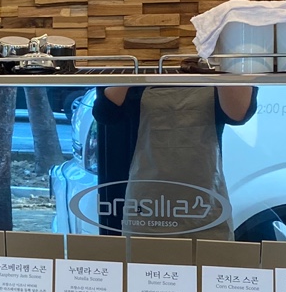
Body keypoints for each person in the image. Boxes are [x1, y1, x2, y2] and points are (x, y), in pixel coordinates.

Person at [92, 84, 257, 241]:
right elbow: (105, 112)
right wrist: (138, 73)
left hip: (206, 206)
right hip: (146, 207)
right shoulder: (136, 76)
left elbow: (239, 114)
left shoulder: (214, 71)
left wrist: (218, 70)